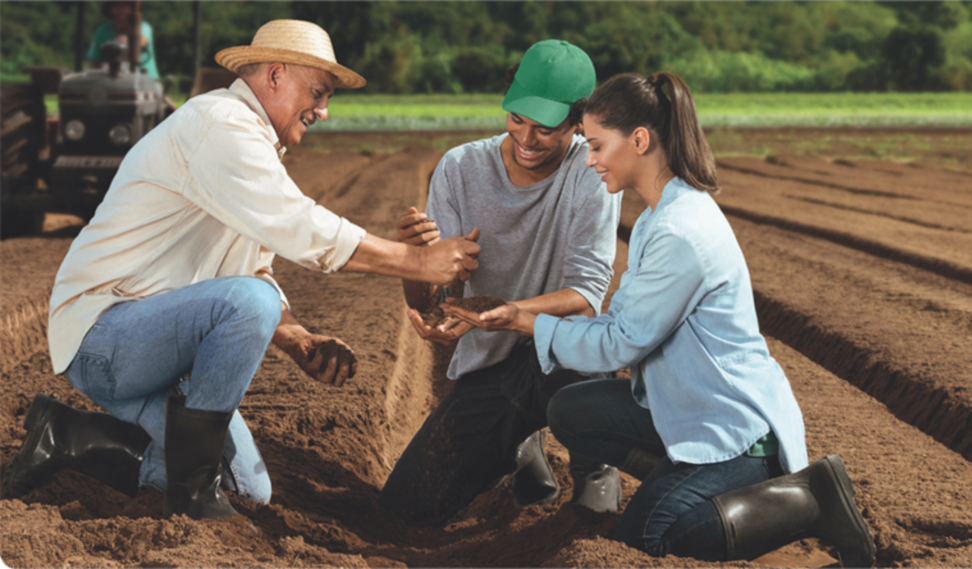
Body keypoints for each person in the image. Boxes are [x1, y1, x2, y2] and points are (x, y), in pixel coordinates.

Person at [1, 20, 481, 522]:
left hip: (152, 346)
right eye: (318, 93)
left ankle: (66, 438)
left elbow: (255, 269)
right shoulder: (219, 125)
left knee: (249, 489)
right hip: (106, 338)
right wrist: (417, 261)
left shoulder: (251, 146)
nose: (323, 111)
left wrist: (298, 339)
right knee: (250, 305)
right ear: (275, 75)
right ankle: (191, 497)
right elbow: (299, 227)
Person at [442, 72, 876, 567]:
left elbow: (621, 344)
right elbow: (619, 321)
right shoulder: (656, 217)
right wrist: (519, 313)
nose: (589, 159)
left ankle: (809, 501)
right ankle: (686, 479)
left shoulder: (680, 232)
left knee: (647, 542)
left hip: (735, 431)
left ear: (640, 140)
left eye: (598, 145)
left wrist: (521, 322)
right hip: (690, 410)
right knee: (571, 411)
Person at [378, 40, 623, 525]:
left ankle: (597, 465)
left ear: (579, 124)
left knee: (583, 350)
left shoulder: (589, 171)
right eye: (517, 119)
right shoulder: (460, 168)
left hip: (561, 352)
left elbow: (587, 298)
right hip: (492, 367)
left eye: (545, 128)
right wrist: (415, 262)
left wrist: (511, 315)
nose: (526, 139)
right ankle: (516, 447)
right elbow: (435, 298)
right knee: (405, 509)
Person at [86, 1, 176, 112]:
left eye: (125, 6)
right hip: (111, 80)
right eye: (116, 5)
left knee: (158, 99)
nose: (120, 10)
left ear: (133, 9)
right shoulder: (102, 31)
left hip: (147, 80)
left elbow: (141, 41)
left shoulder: (143, 28)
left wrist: (123, 43)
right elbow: (94, 61)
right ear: (110, 9)